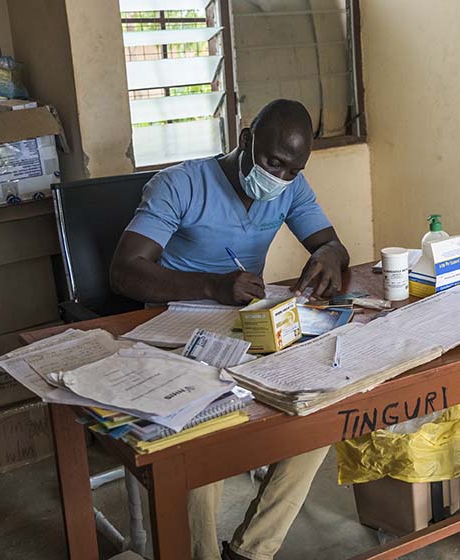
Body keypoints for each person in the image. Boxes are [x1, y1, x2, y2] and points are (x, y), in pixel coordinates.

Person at [111, 98, 350, 560]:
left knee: (320, 413)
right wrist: (209, 285)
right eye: (271, 162)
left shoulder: (290, 188)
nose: (278, 177)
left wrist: (329, 255)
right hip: (178, 328)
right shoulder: (179, 184)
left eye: (291, 170)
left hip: (247, 328)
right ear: (245, 140)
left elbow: (331, 243)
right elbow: (125, 271)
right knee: (200, 439)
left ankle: (251, 552)